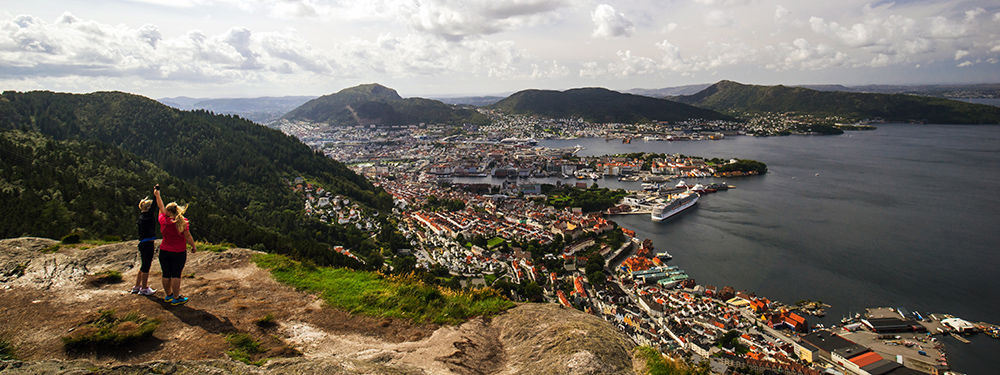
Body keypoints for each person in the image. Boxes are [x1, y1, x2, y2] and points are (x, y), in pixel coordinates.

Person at [153, 184, 196, 306]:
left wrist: (157, 194)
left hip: (164, 250)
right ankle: (176, 297)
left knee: (166, 273)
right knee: (176, 274)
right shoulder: (182, 222)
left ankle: (168, 295)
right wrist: (193, 246)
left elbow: (160, 206)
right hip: (178, 251)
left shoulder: (163, 220)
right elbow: (188, 236)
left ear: (168, 211)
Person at [131, 195, 158, 295]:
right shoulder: (148, 216)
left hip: (143, 243)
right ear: (148, 208)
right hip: (148, 244)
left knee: (143, 265)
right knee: (146, 266)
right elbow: (155, 205)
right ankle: (144, 288)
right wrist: (156, 194)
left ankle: (137, 286)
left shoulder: (141, 217)